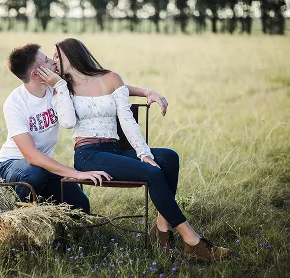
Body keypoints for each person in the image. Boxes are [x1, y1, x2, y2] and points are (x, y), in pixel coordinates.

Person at [35, 38, 232, 262]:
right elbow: (68, 122)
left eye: (56, 55)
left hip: (114, 148)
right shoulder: (61, 88)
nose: (53, 61)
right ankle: (193, 242)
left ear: (71, 54)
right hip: (88, 155)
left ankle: (161, 229)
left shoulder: (111, 78)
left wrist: (144, 153)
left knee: (169, 158)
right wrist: (59, 86)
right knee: (153, 173)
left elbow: (127, 122)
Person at [0, 43, 167, 215]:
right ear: (36, 74)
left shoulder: (55, 86)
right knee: (33, 175)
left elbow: (99, 85)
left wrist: (145, 91)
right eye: (47, 60)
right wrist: (76, 174)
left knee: (81, 207)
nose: (54, 62)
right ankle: (22, 216)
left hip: (43, 166)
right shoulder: (15, 103)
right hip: (13, 164)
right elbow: (31, 156)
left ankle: (47, 205)